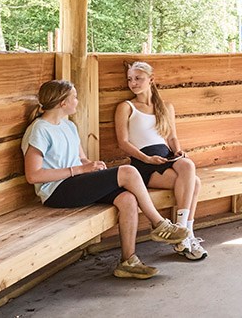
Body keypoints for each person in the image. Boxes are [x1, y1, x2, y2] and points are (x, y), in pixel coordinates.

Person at [23, 80, 191, 279]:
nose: (77, 101)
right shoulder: (39, 129)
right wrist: (79, 169)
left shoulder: (68, 126)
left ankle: (128, 261)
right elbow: (33, 175)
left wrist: (92, 166)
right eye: (74, 98)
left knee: (127, 199)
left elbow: (82, 159)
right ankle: (159, 224)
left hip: (75, 182)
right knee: (128, 171)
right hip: (56, 191)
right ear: (62, 103)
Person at [115, 61, 206, 260]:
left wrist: (178, 151)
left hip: (165, 156)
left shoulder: (165, 107)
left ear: (151, 80)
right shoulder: (126, 107)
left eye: (138, 78)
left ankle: (182, 232)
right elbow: (122, 142)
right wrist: (147, 158)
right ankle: (186, 235)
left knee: (188, 164)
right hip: (143, 162)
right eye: (130, 79)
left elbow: (172, 138)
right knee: (195, 183)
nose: (133, 83)